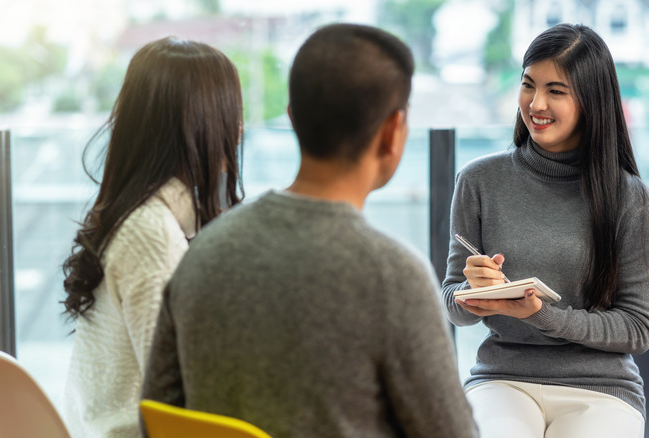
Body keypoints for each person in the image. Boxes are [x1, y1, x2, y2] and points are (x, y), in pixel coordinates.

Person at [141, 23, 478, 438]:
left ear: (293, 119)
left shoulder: (203, 251)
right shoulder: (391, 275)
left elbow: (154, 415)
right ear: (393, 132)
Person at [442, 23, 649, 438]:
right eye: (528, 85)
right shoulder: (478, 181)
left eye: (556, 91)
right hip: (500, 380)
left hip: (602, 389)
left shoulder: (629, 197)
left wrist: (543, 316)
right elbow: (453, 304)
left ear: (591, 100)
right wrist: (470, 294)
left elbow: (637, 329)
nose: (536, 103)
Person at [61, 37, 245, 438]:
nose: (239, 128)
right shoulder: (152, 236)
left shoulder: (132, 213)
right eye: (232, 112)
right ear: (202, 123)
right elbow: (176, 403)